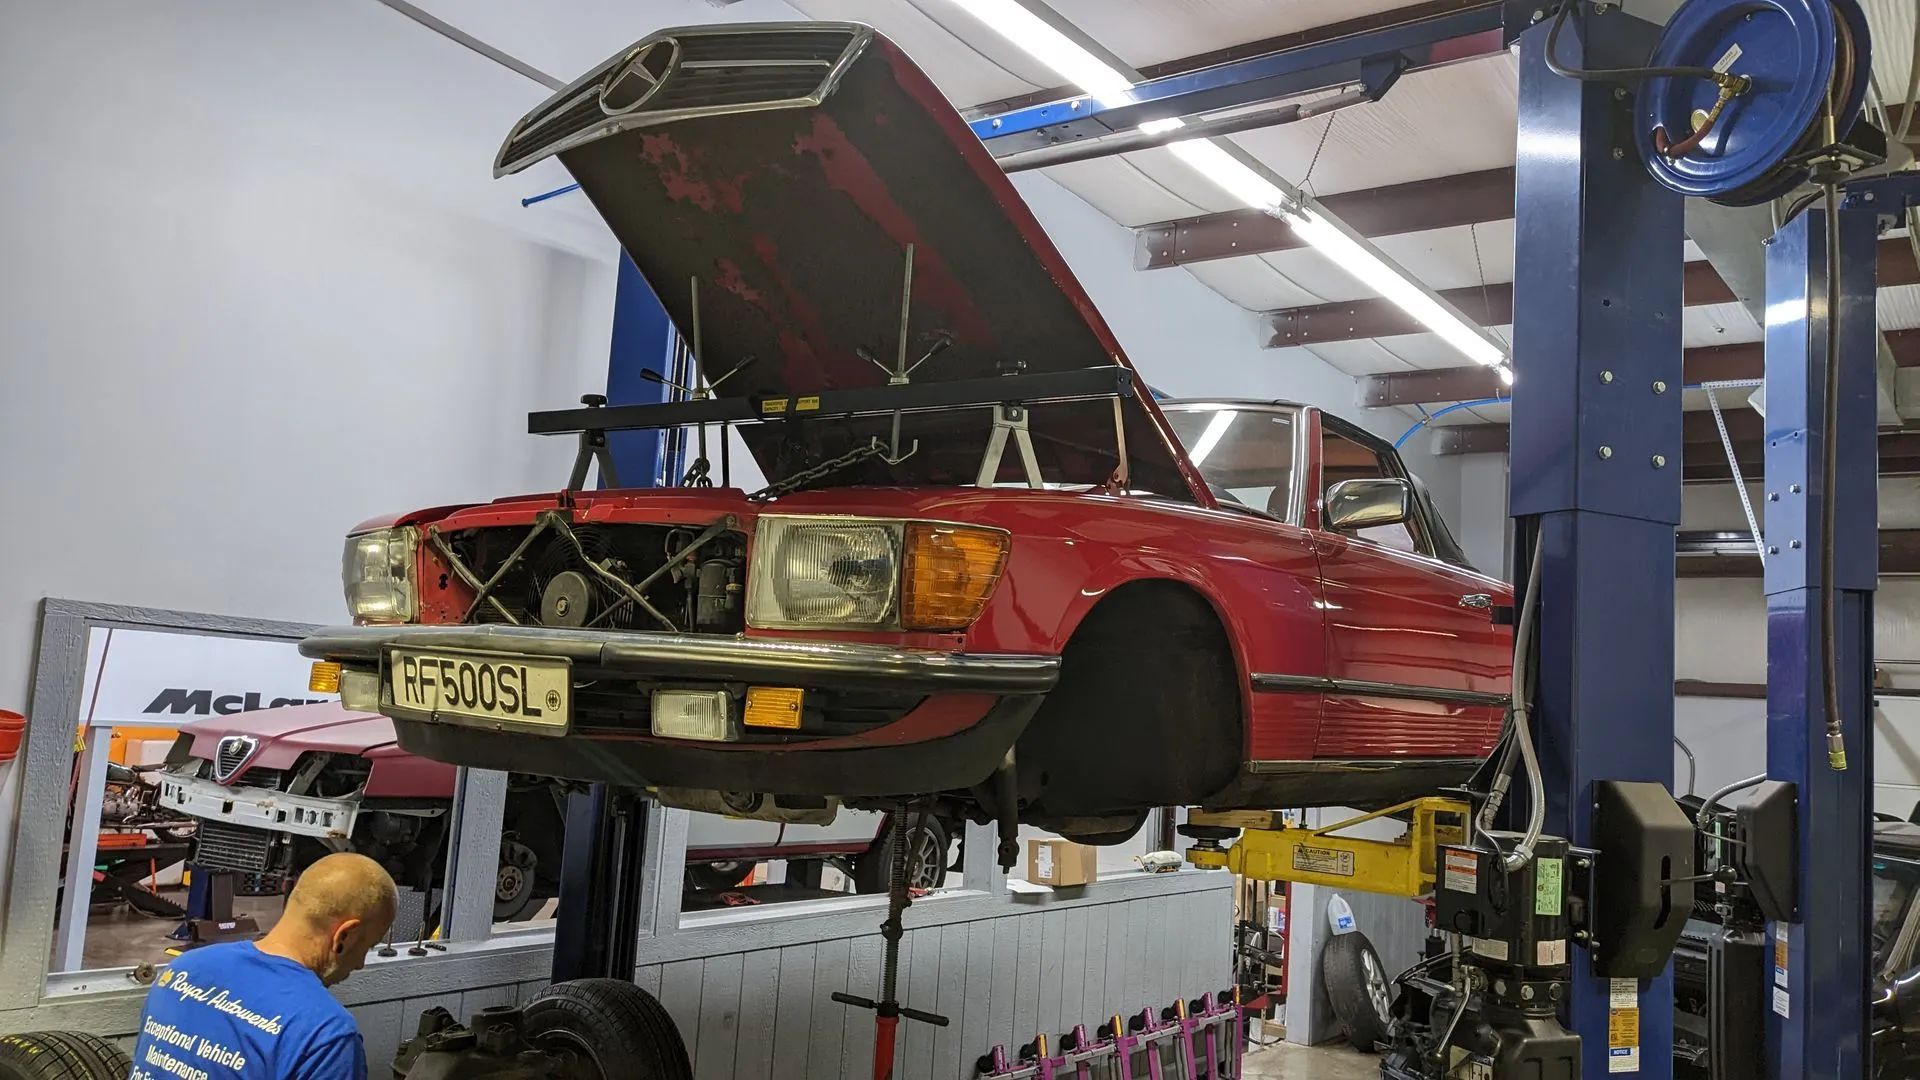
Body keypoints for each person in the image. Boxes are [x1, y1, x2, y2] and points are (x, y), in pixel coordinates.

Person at [128, 852, 397, 1080]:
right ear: (344, 936)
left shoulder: (182, 969)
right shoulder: (325, 1035)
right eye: (368, 946)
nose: (360, 964)